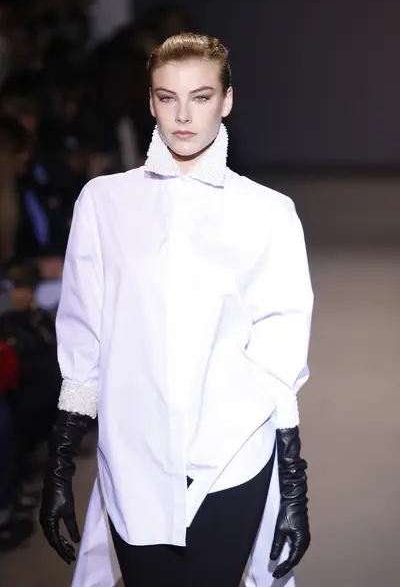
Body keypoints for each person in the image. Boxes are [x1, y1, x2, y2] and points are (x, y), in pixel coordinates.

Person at [39, 33, 314, 587]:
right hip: (133, 454)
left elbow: (281, 359)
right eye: (168, 98)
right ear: (150, 103)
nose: (183, 116)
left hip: (232, 454)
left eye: (202, 97)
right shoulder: (104, 202)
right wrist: (61, 465)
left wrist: (293, 487)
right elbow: (84, 336)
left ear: (227, 100)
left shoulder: (268, 213)